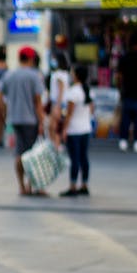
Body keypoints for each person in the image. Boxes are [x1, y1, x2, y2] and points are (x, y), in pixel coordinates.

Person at [0, 45, 46, 196]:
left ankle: (21, 186)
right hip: (30, 119)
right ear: (31, 59)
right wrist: (42, 121)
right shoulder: (34, 76)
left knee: (19, 152)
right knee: (32, 154)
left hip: (14, 118)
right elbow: (37, 101)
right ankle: (31, 185)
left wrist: (4, 113)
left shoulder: (9, 75)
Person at [60, 63, 93, 198]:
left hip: (74, 130)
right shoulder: (87, 90)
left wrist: (64, 130)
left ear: (76, 75)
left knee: (75, 159)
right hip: (85, 128)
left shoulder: (73, 92)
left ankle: (73, 185)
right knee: (84, 157)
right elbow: (92, 109)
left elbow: (69, 114)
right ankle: (84, 184)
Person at [48, 50, 71, 145]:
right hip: (62, 102)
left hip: (58, 103)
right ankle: (56, 145)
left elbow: (60, 90)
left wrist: (57, 105)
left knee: (53, 126)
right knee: (56, 126)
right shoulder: (65, 73)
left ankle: (56, 146)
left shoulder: (58, 74)